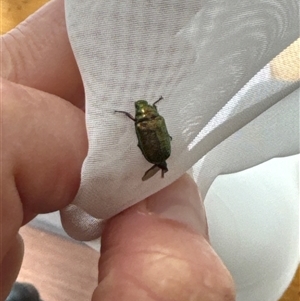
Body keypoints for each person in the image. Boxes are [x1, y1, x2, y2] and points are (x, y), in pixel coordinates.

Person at [0, 0, 235, 300]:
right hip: (157, 151)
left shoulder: (142, 121)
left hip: (154, 152)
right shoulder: (153, 118)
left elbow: (142, 133)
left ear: (143, 114)